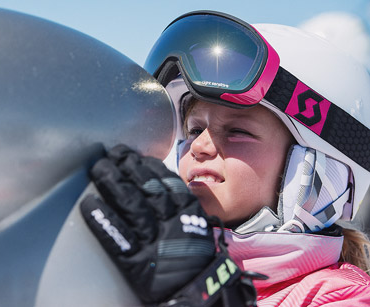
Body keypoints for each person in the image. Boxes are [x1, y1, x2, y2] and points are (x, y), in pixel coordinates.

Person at [81, 10, 370, 306]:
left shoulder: (342, 294)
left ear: (319, 170)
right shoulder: (142, 262)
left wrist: (210, 295)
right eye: (193, 130)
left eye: (237, 131)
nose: (199, 147)